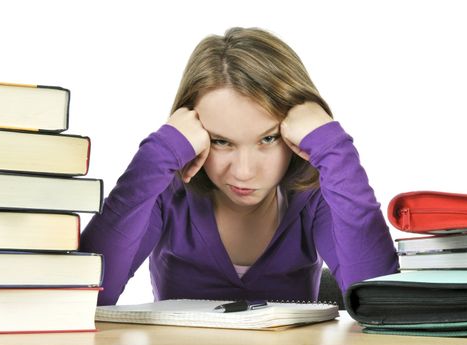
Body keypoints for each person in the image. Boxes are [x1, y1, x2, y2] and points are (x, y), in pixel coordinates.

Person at [80, 27, 399, 306]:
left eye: (268, 139)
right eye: (221, 141)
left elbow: (380, 305)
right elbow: (81, 297)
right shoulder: (167, 192)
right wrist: (157, 154)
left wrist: (333, 145)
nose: (244, 172)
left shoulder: (315, 197)